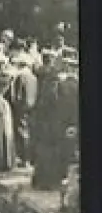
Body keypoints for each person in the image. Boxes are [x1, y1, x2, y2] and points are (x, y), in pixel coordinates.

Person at [32, 53, 79, 191]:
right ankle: (53, 180)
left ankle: (47, 180)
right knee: (58, 153)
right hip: (58, 124)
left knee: (51, 153)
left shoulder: (54, 84)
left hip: (53, 124)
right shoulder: (70, 85)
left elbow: (42, 106)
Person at [6, 52, 39, 169]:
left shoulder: (20, 76)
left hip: (21, 107)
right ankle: (29, 158)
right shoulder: (33, 77)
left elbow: (16, 94)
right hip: (32, 106)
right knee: (29, 131)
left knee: (21, 132)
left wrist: (14, 105)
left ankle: (24, 158)